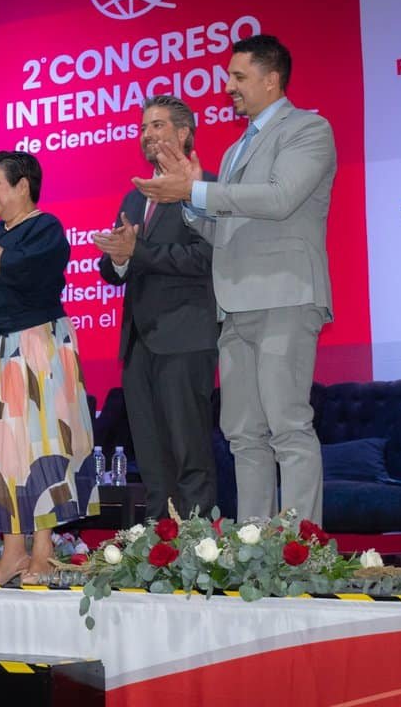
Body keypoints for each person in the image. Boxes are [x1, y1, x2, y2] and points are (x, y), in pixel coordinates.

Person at [134, 34, 335, 524]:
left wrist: (200, 189)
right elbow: (215, 228)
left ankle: (300, 549)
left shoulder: (307, 128)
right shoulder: (233, 151)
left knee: (287, 426)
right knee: (243, 432)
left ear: (272, 79)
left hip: (284, 292)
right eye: (229, 77)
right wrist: (189, 199)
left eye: (238, 77)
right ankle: (254, 545)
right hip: (234, 303)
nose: (228, 87)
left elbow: (281, 197)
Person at [0, 150, 100, 584]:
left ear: (22, 186)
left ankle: (42, 551)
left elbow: (17, 271)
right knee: (1, 452)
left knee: (39, 446)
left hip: (34, 347)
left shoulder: (44, 228)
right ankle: (12, 551)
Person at [96, 95, 219, 520]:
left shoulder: (206, 188)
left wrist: (140, 252)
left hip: (185, 338)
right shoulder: (135, 196)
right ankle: (158, 552)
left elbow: (207, 259)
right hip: (137, 344)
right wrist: (117, 257)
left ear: (184, 133)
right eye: (144, 127)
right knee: (151, 461)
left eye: (159, 126)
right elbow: (117, 269)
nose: (148, 134)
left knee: (190, 456)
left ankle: (199, 553)